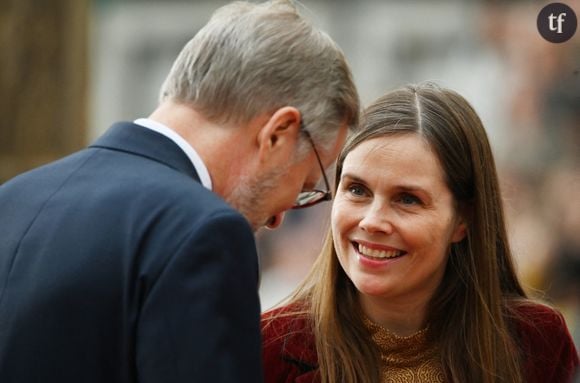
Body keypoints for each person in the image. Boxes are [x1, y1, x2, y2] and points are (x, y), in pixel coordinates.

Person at [0, 1, 359, 382]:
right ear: (278, 133)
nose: (278, 219)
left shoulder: (13, 199)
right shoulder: (202, 233)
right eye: (305, 185)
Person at [261, 83, 579, 383]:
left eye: (407, 199)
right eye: (357, 190)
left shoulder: (537, 341)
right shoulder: (267, 349)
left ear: (463, 220)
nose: (372, 221)